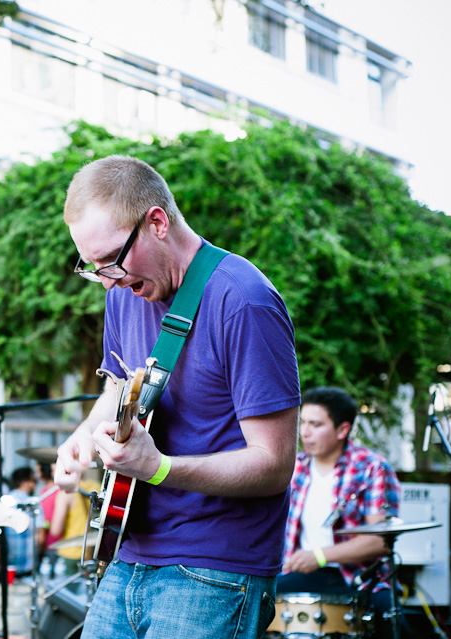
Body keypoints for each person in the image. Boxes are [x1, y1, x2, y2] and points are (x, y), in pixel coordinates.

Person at [53, 155, 301, 639]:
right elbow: (120, 385)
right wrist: (82, 439)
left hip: (217, 566)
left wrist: (158, 467)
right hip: (129, 552)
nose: (107, 280)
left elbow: (274, 465)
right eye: (92, 267)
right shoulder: (123, 290)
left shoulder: (244, 300)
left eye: (111, 261)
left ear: (158, 223)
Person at [278, 386, 401, 638]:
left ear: (343, 430)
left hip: (360, 578)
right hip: (301, 574)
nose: (305, 432)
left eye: (316, 424)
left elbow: (380, 540)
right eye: (303, 422)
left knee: (391, 622)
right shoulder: (294, 466)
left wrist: (320, 556)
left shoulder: (372, 468)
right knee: (255, 602)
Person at [5, 466, 38, 578]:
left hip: (7, 563)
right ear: (24, 482)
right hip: (28, 565)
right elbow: (40, 536)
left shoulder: (4, 501)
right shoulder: (33, 502)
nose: (35, 485)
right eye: (33, 481)